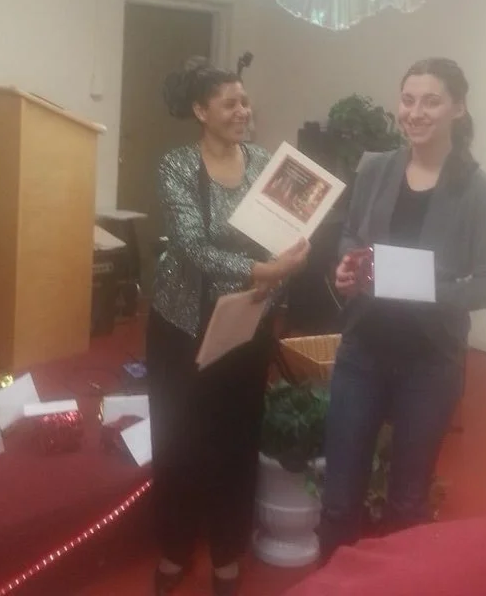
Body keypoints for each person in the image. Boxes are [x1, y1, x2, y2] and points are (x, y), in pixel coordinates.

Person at [320, 58, 486, 561]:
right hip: (362, 353)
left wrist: (426, 287)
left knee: (406, 504)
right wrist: (345, 266)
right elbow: (351, 235)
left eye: (431, 100)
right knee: (338, 501)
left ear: (458, 108)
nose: (416, 112)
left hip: (429, 365)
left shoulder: (477, 190)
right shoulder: (375, 167)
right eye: (408, 99)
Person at [147, 61, 309, 596]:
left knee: (235, 438)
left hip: (247, 322)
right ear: (201, 112)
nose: (243, 112)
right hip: (183, 326)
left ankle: (226, 552)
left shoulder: (265, 163)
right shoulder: (176, 165)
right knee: (180, 438)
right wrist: (265, 271)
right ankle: (174, 547)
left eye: (245, 102)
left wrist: (281, 270)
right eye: (230, 104)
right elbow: (193, 248)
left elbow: (281, 237)